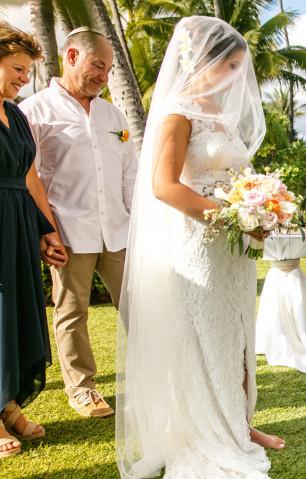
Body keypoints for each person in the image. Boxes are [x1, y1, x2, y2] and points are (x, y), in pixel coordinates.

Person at [117, 17, 283, 478]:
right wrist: (231, 216)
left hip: (233, 245)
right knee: (207, 335)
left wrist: (261, 206)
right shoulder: (178, 111)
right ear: (205, 61)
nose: (236, 77)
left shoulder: (221, 116)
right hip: (200, 239)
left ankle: (240, 423)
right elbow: (164, 186)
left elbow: (233, 179)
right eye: (230, 65)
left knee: (237, 335)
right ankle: (213, 431)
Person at [19, 27, 136, 418]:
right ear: (71, 57)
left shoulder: (112, 113)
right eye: (98, 66)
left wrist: (138, 222)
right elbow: (26, 174)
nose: (104, 76)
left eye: (109, 69)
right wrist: (43, 230)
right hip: (68, 231)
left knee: (140, 305)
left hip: (118, 230)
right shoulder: (35, 110)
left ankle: (155, 374)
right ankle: (82, 388)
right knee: (72, 313)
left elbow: (128, 173)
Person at [0, 21, 67, 459]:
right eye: (18, 69)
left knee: (16, 312)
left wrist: (47, 229)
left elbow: (29, 175)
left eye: (28, 72)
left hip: (19, 220)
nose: (25, 78)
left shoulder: (18, 114)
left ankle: (7, 404)